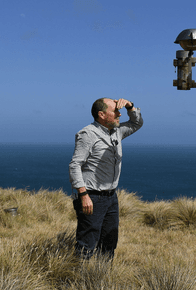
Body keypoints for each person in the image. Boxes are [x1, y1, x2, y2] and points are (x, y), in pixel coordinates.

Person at [69, 98, 143, 259]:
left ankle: (102, 280)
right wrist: (83, 195)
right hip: (91, 196)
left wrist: (131, 106)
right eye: (115, 111)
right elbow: (75, 165)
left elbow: (136, 123)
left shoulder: (116, 130)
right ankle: (75, 280)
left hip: (111, 197)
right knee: (87, 244)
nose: (119, 114)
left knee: (109, 243)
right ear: (101, 114)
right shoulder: (87, 134)